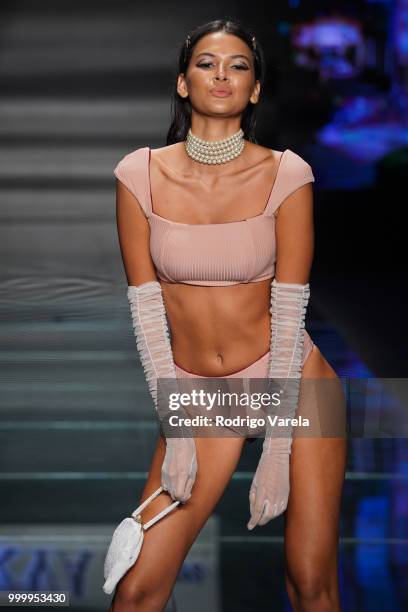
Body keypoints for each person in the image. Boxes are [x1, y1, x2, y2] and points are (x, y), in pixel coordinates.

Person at [109, 18, 347, 612]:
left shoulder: (287, 174)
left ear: (256, 89)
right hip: (202, 393)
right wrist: (179, 427)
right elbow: (145, 306)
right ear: (184, 83)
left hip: (292, 379)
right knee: (137, 591)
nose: (222, 74)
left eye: (239, 65)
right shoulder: (138, 173)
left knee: (309, 582)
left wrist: (276, 448)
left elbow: (291, 305)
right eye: (208, 63)